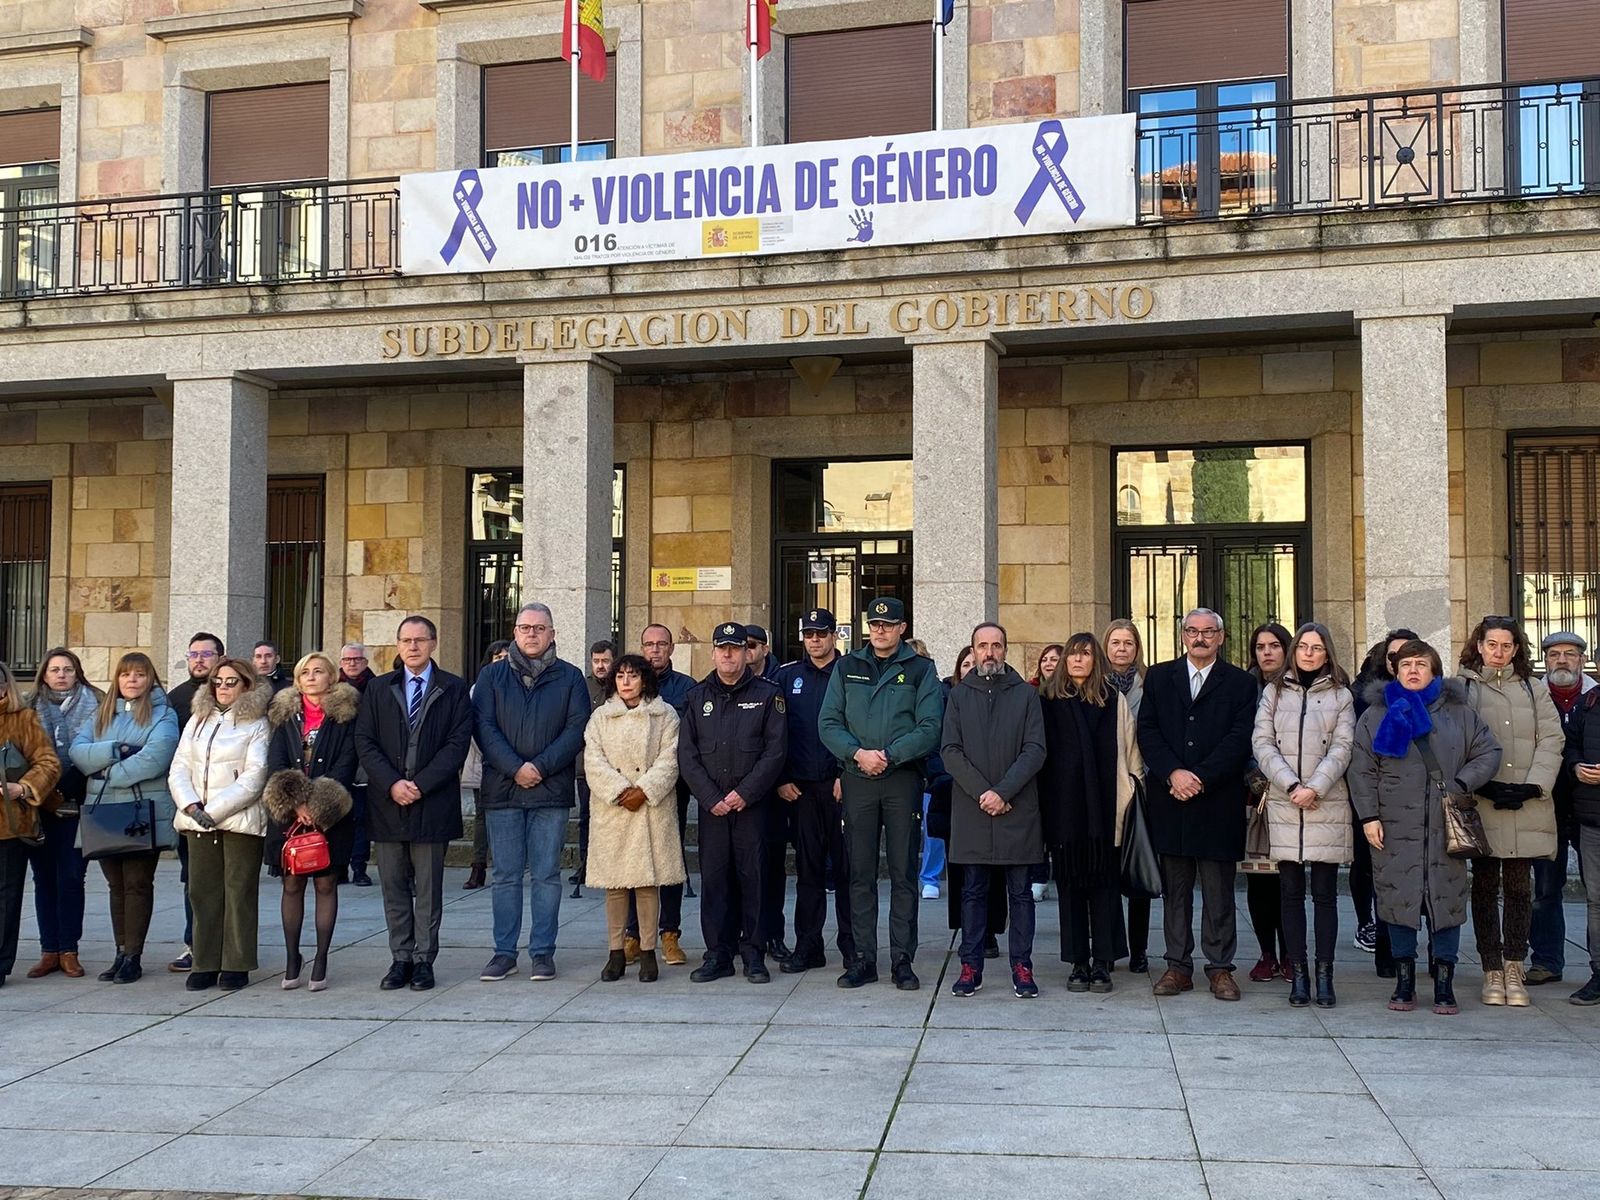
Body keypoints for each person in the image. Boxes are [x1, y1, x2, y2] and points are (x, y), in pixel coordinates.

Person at [1350, 639, 1501, 1015]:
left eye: (1421, 663)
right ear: (1395, 671)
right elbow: (1361, 769)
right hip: (1392, 824)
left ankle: (1445, 982)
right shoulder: (1376, 715)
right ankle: (1404, 981)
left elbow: (1489, 751)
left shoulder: (1459, 712)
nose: (1413, 670)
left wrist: (1462, 783)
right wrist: (1369, 817)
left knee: (1445, 898)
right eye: (1405, 665)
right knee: (1397, 898)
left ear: (1434, 669)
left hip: (1444, 824)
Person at [820, 595, 943, 990]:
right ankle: (862, 959)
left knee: (904, 873)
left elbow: (929, 727)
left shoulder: (921, 669)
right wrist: (857, 754)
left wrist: (889, 756)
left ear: (902, 628)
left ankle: (903, 961)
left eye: (888, 625)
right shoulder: (848, 666)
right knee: (859, 874)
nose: (880, 630)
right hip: (857, 777)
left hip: (901, 779)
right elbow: (828, 722)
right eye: (874, 624)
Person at [1137, 608, 1258, 1001]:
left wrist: (1200, 777)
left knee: (1219, 891)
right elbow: (1148, 731)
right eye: (1192, 631)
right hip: (1170, 798)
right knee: (1175, 890)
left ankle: (1220, 968)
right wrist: (1173, 773)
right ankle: (1177, 966)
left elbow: (1240, 739)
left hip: (1217, 799)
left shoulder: (1240, 683)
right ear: (1183, 636)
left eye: (1208, 632)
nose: (1200, 638)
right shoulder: (1158, 677)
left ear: (1221, 638)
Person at [355, 615, 474, 992]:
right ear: (398, 644)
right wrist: (392, 784)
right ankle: (400, 957)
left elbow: (457, 744)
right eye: (406, 640)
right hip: (387, 802)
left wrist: (420, 784)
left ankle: (424, 959)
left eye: (420, 640)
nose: (412, 647)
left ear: (433, 644)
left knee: (428, 887)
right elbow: (365, 741)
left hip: (432, 801)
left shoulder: (453, 689)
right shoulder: (378, 688)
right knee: (392, 884)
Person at [473, 603, 590, 983]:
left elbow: (576, 729)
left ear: (553, 634)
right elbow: (484, 727)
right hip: (503, 789)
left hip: (550, 789)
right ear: (515, 632)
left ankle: (542, 952)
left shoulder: (570, 678)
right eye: (525, 628)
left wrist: (539, 767)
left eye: (540, 628)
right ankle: (503, 953)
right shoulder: (491, 676)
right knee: (505, 875)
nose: (532, 634)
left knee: (546, 875)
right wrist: (515, 768)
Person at [1458, 616, 1564, 1007]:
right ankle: (1491, 969)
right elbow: (1456, 739)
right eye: (1491, 645)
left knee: (1520, 888)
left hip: (1526, 802)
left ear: (1517, 648)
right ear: (1479, 645)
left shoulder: (1534, 689)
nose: (1498, 652)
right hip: (1482, 800)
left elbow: (1552, 738)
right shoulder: (1464, 687)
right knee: (1485, 888)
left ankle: (1515, 965)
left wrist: (1533, 785)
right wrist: (1480, 781)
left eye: (1506, 645)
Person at [1251, 622, 1356, 1007]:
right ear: (1294, 652)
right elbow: (1262, 743)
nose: (1309, 654)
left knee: (1325, 896)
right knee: (1290, 894)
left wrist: (1316, 787)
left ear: (1327, 653)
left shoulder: (1342, 695)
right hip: (1285, 801)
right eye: (1303, 647)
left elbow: (1344, 747)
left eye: (1317, 648)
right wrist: (1292, 785)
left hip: (1325, 802)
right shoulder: (1274, 692)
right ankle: (1298, 975)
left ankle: (1325, 975)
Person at [944, 622, 1047, 998]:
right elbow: (950, 751)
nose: (989, 652)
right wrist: (982, 792)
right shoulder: (959, 695)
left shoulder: (1024, 695)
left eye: (996, 646)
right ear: (972, 651)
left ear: (1006, 650)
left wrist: (1002, 792)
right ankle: (970, 965)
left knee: (1020, 893)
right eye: (982, 646)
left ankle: (1022, 965)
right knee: (972, 891)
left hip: (1015, 808)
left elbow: (1035, 749)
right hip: (973, 809)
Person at [1037, 632, 1143, 994]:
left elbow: (1131, 754)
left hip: (1105, 811)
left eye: (1085, 654)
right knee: (1070, 890)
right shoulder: (1048, 701)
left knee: (1104, 888)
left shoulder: (1113, 701)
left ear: (1096, 659)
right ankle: (1077, 962)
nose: (1078, 660)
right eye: (1072, 654)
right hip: (1064, 812)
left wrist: (1129, 796)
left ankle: (1103, 962)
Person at [681, 622, 787, 983]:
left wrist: (745, 793)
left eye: (736, 648)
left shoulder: (769, 694)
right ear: (713, 653)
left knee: (754, 880)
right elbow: (687, 755)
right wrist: (711, 798)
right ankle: (718, 954)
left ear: (748, 653)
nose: (728, 654)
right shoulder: (696, 698)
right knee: (714, 882)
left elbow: (775, 752)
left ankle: (754, 954)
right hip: (713, 810)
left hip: (751, 808)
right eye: (722, 648)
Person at [68, 654, 178, 986]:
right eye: (125, 674)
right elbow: (78, 751)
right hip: (104, 813)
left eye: (140, 674)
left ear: (150, 679)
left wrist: (105, 772)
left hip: (142, 812)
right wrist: (118, 749)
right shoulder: (102, 713)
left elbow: (155, 758)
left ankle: (134, 956)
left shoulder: (164, 714)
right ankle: (119, 951)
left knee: (137, 884)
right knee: (116, 886)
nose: (132, 680)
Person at [169, 656, 271, 991]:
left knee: (238, 891)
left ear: (245, 685)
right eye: (218, 681)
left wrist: (215, 810)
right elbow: (180, 765)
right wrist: (191, 804)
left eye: (231, 681)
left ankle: (236, 962)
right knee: (202, 891)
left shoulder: (257, 723)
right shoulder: (198, 718)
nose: (223, 687)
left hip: (238, 819)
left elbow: (255, 775)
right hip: (197, 819)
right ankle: (205, 960)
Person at [584, 654, 685, 982]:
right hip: (613, 810)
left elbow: (670, 758)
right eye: (621, 676)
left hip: (649, 807)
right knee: (615, 886)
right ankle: (615, 952)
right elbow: (593, 760)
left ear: (645, 679)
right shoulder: (600, 717)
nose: (626, 682)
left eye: (633, 675)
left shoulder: (664, 714)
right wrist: (619, 790)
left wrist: (644, 790)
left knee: (645, 883)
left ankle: (647, 952)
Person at [264, 652, 359, 992]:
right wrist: (296, 803)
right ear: (298, 679)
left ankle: (321, 958)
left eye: (319, 671)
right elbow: (275, 761)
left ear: (332, 677)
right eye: (305, 672)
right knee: (291, 885)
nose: (312, 677)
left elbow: (347, 764)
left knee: (325, 884)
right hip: (289, 815)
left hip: (330, 815)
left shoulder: (346, 717)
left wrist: (317, 806)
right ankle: (292, 957)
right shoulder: (284, 715)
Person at [773, 608, 855, 973]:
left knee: (848, 872)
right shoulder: (786, 677)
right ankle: (808, 946)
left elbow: (861, 728)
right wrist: (781, 778)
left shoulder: (853, 673)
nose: (814, 640)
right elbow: (776, 734)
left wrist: (846, 773)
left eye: (821, 633)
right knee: (807, 873)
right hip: (801, 790)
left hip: (842, 788)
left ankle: (853, 947)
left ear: (833, 635)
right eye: (809, 634)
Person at [24, 649, 102, 979]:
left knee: (71, 878)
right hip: (36, 805)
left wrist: (65, 790)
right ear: (43, 674)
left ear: (77, 673)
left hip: (77, 803)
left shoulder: (96, 704)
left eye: (68, 669)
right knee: (43, 880)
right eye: (54, 669)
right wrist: (42, 793)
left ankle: (69, 949)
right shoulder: (28, 707)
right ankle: (49, 950)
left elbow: (97, 752)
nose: (61, 675)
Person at [1349, 628, 1418, 976]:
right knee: (1374, 870)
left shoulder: (1435, 697)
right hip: (1375, 798)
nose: (1401, 662)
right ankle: (1378, 937)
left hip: (1419, 800)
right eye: (1394, 656)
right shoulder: (1365, 696)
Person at [627, 623, 696, 966]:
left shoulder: (686, 688)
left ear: (671, 648)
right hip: (629, 793)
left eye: (661, 644)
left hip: (671, 788)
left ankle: (670, 933)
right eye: (648, 644)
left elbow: (687, 740)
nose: (655, 650)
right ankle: (633, 935)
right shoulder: (627, 685)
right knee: (631, 861)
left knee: (670, 862)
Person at [1531, 631, 1598, 985]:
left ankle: (1597, 967)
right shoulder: (1534, 695)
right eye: (1554, 654)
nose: (1562, 660)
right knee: (1545, 888)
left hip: (1591, 809)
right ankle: (1546, 961)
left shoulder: (1594, 696)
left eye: (1569, 654)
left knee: (1597, 891)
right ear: (1545, 660)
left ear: (1582, 660)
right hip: (1547, 807)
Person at [163, 631, 224, 973]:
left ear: (220, 657)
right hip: (190, 806)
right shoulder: (175, 700)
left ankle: (228, 944)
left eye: (206, 653)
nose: (199, 659)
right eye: (193, 654)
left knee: (229, 879)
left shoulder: (233, 695)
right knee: (194, 879)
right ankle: (195, 944)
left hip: (229, 804)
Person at [0, 662, 61, 989]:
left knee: (5, 899)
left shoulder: (23, 719)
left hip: (9, 824)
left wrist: (22, 788)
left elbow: (48, 763)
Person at [1243, 622, 1294, 984]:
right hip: (1254, 794)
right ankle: (1266, 954)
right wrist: (1254, 775)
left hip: (1293, 792)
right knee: (1259, 880)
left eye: (1274, 645)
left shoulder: (1299, 686)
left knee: (1289, 880)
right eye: (1260, 647)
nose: (1267, 653)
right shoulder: (1245, 687)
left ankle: (1292, 954)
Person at [1103, 618, 1150, 972]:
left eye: (1128, 643)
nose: (1121, 649)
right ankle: (1110, 944)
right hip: (1104, 788)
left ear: (1137, 648)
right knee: (1106, 875)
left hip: (1139, 786)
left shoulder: (1149, 684)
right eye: (1115, 642)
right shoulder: (1094, 684)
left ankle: (1139, 950)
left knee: (1138, 871)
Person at [1562, 661, 1600, 1004]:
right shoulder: (1586, 704)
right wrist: (1576, 766)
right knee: (1596, 901)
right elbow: (1569, 745)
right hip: (1593, 819)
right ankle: (1599, 973)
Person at [461, 640, 510, 891]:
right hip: (484, 763)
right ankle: (477, 866)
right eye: (497, 657)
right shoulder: (477, 689)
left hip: (512, 766)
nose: (501, 661)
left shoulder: (518, 686)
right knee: (482, 818)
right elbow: (476, 729)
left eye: (505, 657)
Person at [570, 639, 615, 897]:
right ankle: (585, 864)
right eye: (596, 661)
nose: (600, 666)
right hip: (585, 767)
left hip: (613, 767)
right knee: (586, 818)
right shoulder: (582, 687)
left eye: (605, 661)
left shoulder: (619, 685)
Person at [337, 642, 377, 887]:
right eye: (347, 659)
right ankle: (338, 867)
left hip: (364, 763)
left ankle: (359, 867)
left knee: (361, 818)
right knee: (338, 818)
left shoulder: (376, 687)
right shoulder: (332, 689)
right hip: (338, 762)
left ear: (365, 662)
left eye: (356, 659)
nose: (352, 663)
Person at [918, 639, 951, 902]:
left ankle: (930, 877)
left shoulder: (940, 692)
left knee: (933, 831)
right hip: (904, 769)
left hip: (932, 770)